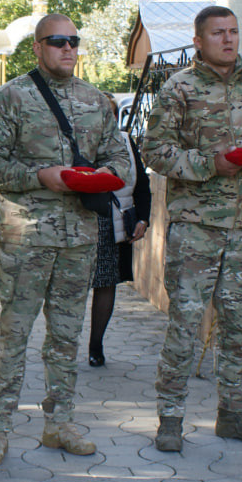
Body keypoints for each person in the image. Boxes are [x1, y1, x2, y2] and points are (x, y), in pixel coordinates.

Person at [0, 14, 131, 466]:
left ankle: (59, 423)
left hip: (79, 237)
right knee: (14, 335)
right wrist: (40, 177)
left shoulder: (96, 101)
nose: (68, 49)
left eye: (74, 41)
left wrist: (104, 175)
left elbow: (122, 158)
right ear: (38, 48)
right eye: (57, 41)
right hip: (28, 238)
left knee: (66, 335)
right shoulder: (10, 99)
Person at [142, 5, 242, 453]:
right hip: (196, 228)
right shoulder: (179, 89)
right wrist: (212, 164)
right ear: (198, 41)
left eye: (233, 32)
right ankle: (170, 417)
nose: (228, 40)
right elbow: (155, 151)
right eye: (217, 33)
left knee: (238, 325)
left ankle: (233, 412)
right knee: (186, 324)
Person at [87, 92, 151, 367]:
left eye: (109, 114)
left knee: (106, 283)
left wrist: (143, 219)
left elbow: (142, 185)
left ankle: (96, 344)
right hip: (80, 223)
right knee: (70, 288)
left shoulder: (126, 141)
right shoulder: (75, 141)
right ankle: (62, 345)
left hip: (111, 223)